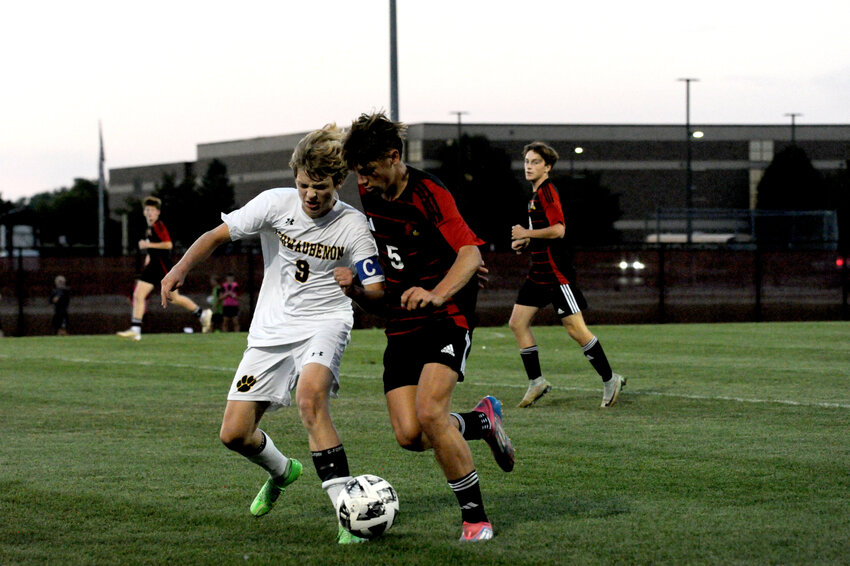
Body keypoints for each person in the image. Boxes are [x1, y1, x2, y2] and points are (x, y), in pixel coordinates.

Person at [160, 124, 385, 545]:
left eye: (320, 187)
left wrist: (353, 284)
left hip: (325, 322)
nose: (310, 195)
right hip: (270, 330)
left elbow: (375, 290)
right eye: (303, 185)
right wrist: (178, 269)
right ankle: (283, 471)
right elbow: (215, 235)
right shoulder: (274, 204)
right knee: (233, 434)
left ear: (338, 182)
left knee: (310, 399)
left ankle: (347, 515)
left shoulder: (354, 227)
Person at [339, 111, 514, 543]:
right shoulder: (368, 189)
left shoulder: (429, 193)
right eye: (358, 172)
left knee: (431, 412)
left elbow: (470, 254)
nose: (363, 180)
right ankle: (480, 422)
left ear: (394, 157)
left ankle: (476, 520)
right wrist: (358, 289)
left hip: (445, 316)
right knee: (410, 435)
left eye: (369, 170)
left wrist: (439, 291)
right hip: (402, 320)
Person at [509, 141, 626, 408]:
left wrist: (527, 234)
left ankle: (610, 379)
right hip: (537, 272)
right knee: (517, 323)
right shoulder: (535, 195)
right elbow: (543, 234)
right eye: (527, 161)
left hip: (555, 274)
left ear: (547, 167)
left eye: (535, 162)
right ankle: (536, 381)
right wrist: (525, 243)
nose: (529, 166)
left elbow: (559, 230)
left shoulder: (548, 192)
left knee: (576, 330)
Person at [117, 196, 212, 340]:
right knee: (141, 295)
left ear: (157, 213)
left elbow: (168, 244)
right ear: (144, 212)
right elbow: (155, 249)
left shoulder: (158, 225)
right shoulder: (150, 229)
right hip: (155, 266)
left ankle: (202, 314)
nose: (149, 213)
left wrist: (148, 245)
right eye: (147, 210)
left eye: (152, 210)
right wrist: (148, 256)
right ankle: (136, 329)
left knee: (171, 298)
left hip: (162, 267)